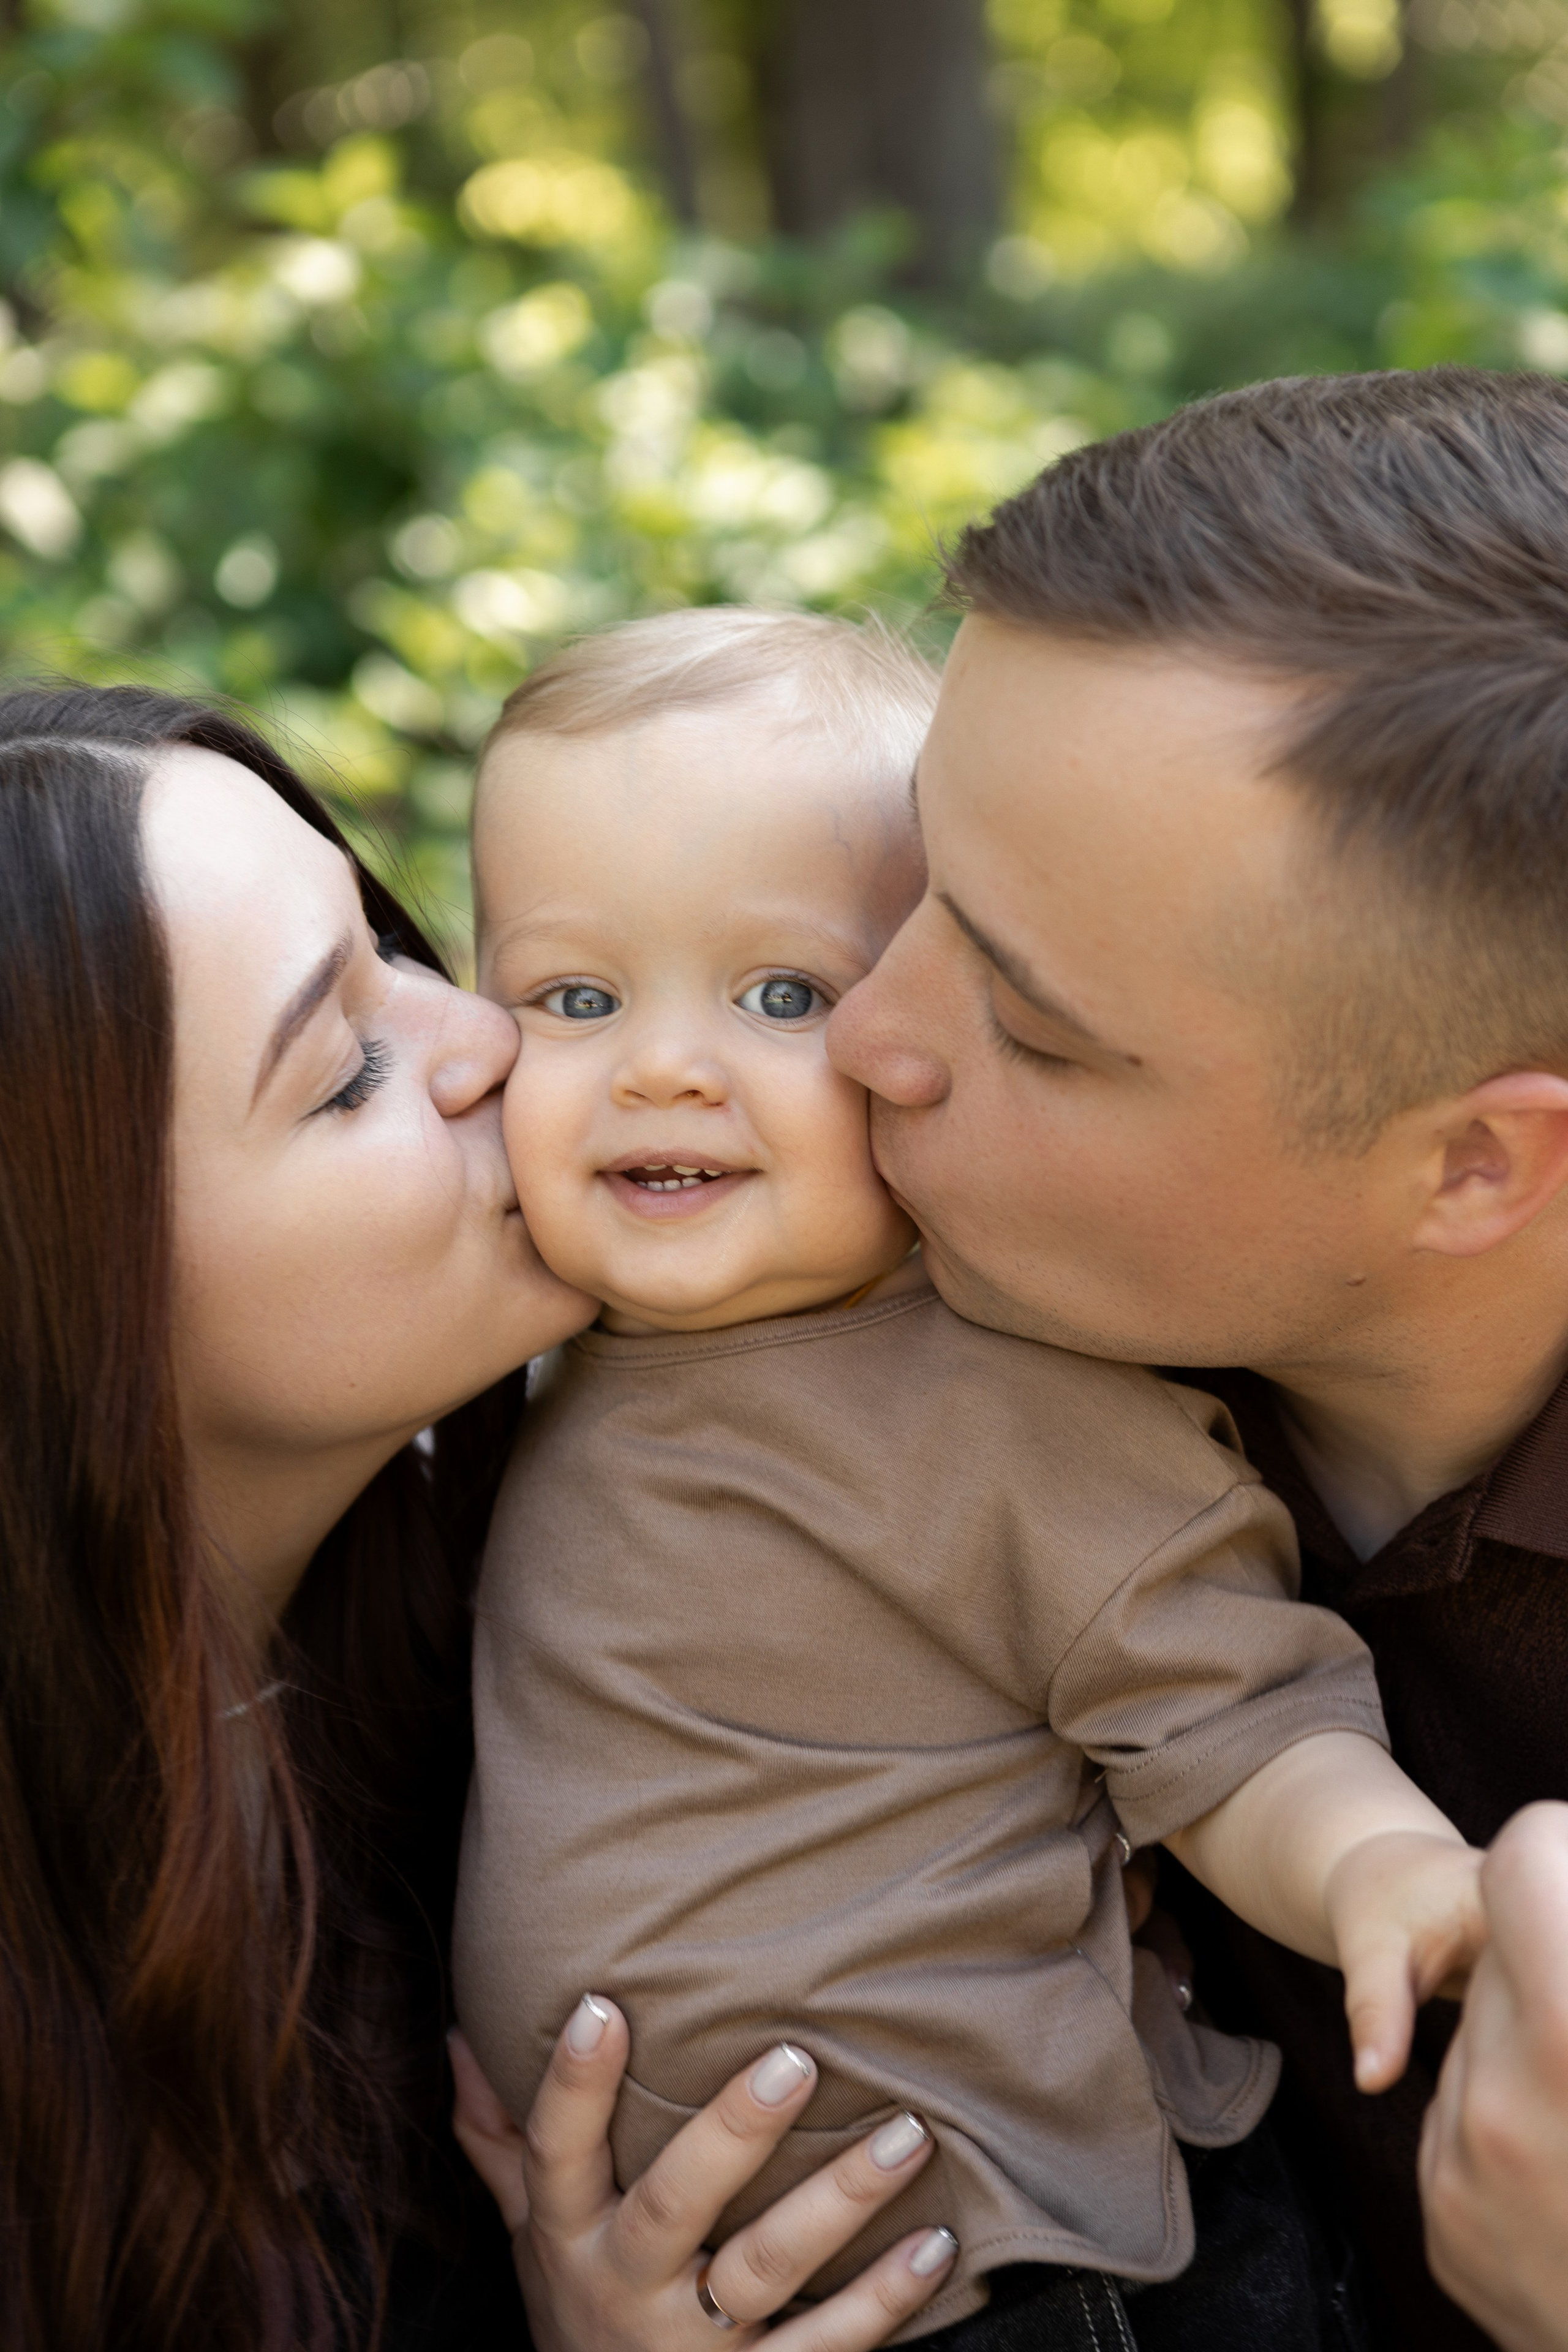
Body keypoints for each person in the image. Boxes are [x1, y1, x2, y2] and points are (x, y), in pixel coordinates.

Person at [452, 605, 1482, 2348]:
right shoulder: (530, 1348)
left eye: (784, 993)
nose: (663, 1062)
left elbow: (1233, 1724)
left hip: (1011, 2273)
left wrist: (1384, 1869)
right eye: (574, 994)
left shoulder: (1006, 1398)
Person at [0, 680, 963, 2352]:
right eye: (348, 1067)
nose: (497, 1040)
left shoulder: (536, 1617)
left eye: (407, 953)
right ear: (73, 1299)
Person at [825, 364, 1568, 2348]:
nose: (861, 1042)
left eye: (1036, 1029)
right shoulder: (834, 1318)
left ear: (1480, 1162)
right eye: (917, 890)